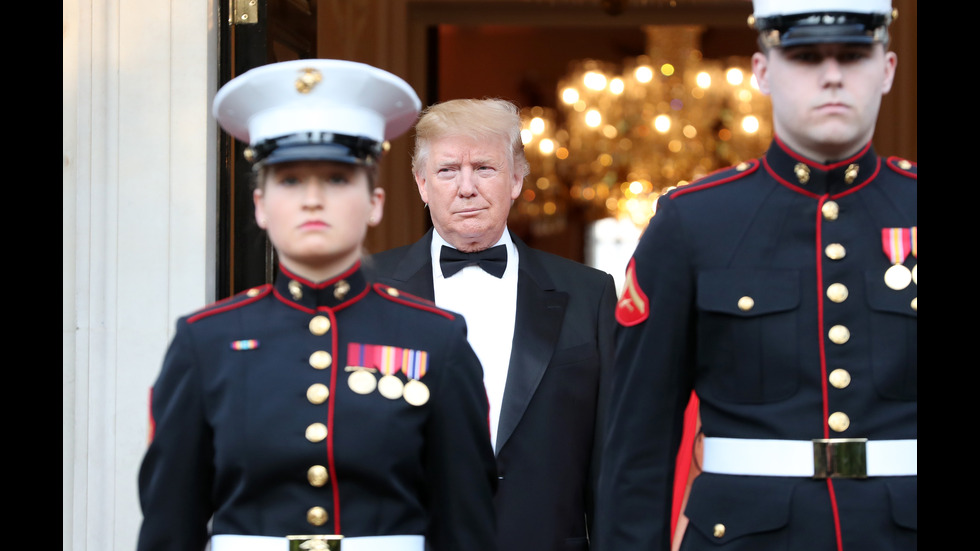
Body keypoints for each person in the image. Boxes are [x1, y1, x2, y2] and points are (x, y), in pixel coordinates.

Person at [136, 59, 498, 551]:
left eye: (336, 179)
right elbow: (168, 528)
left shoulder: (436, 340)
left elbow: (467, 528)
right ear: (261, 205)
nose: (312, 199)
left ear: (375, 202)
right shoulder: (205, 342)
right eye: (289, 181)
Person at [595, 0, 916, 549]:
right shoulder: (693, 221)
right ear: (762, 71)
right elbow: (638, 444)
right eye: (806, 57)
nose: (832, 75)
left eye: (853, 55)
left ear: (886, 70)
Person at [368, 98, 617, 551]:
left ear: (516, 179)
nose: (466, 188)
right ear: (422, 184)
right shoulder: (368, 290)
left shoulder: (590, 294)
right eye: (447, 171)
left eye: (484, 168)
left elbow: (611, 461)